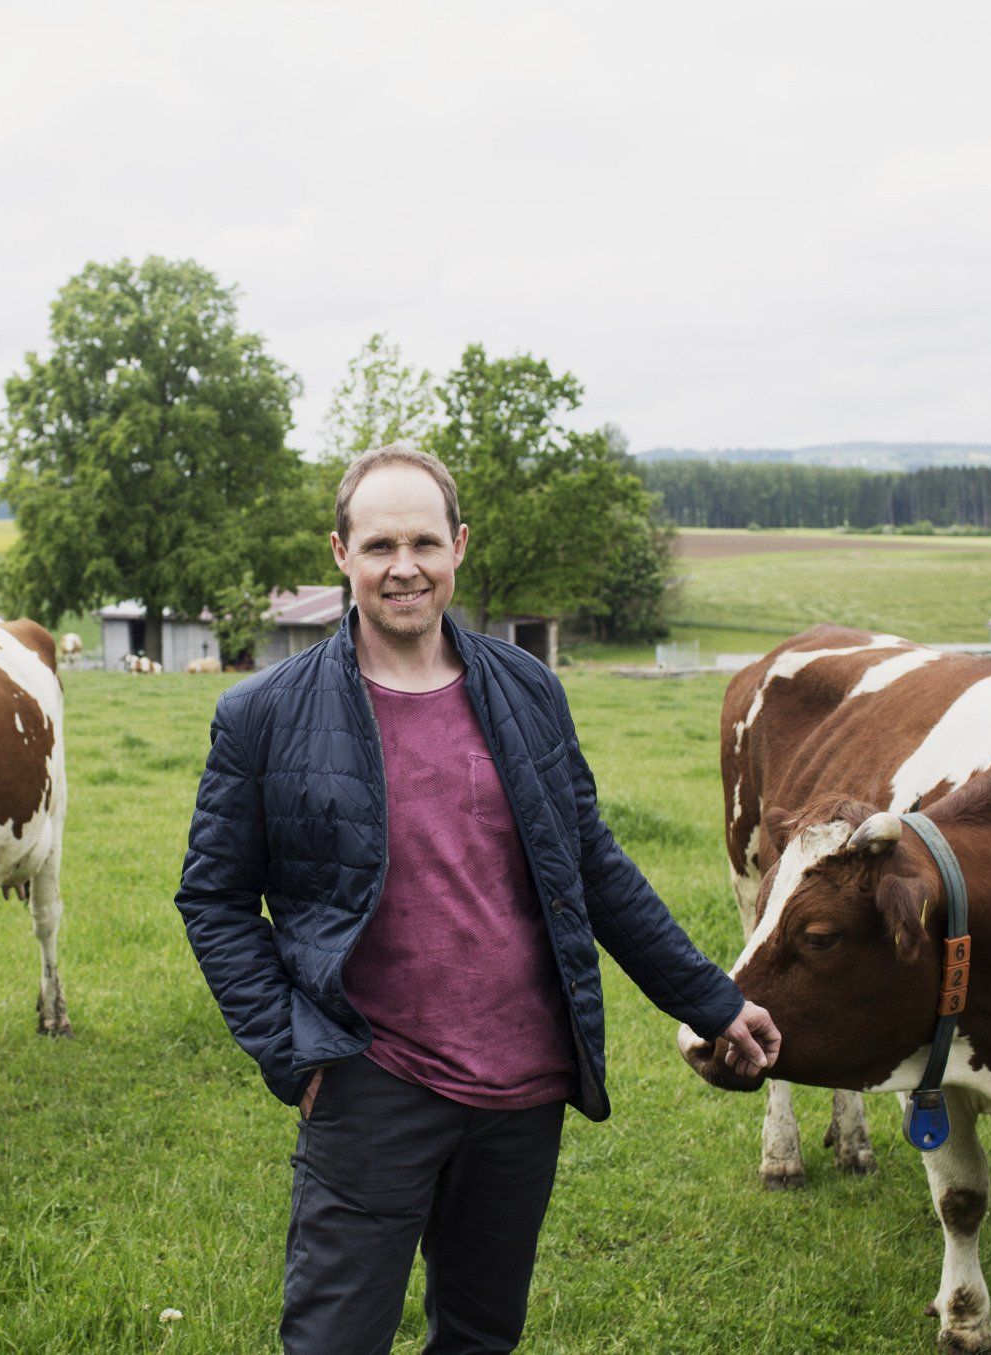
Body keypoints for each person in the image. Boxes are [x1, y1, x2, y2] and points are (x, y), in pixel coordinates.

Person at [175, 443, 780, 1354]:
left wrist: (712, 998)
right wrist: (293, 1051)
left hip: (521, 1091)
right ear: (340, 554)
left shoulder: (528, 689)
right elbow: (214, 896)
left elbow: (592, 863)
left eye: (424, 541)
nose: (404, 567)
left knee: (480, 1336)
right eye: (379, 545)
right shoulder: (263, 714)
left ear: (458, 545)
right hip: (368, 1081)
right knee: (334, 1340)